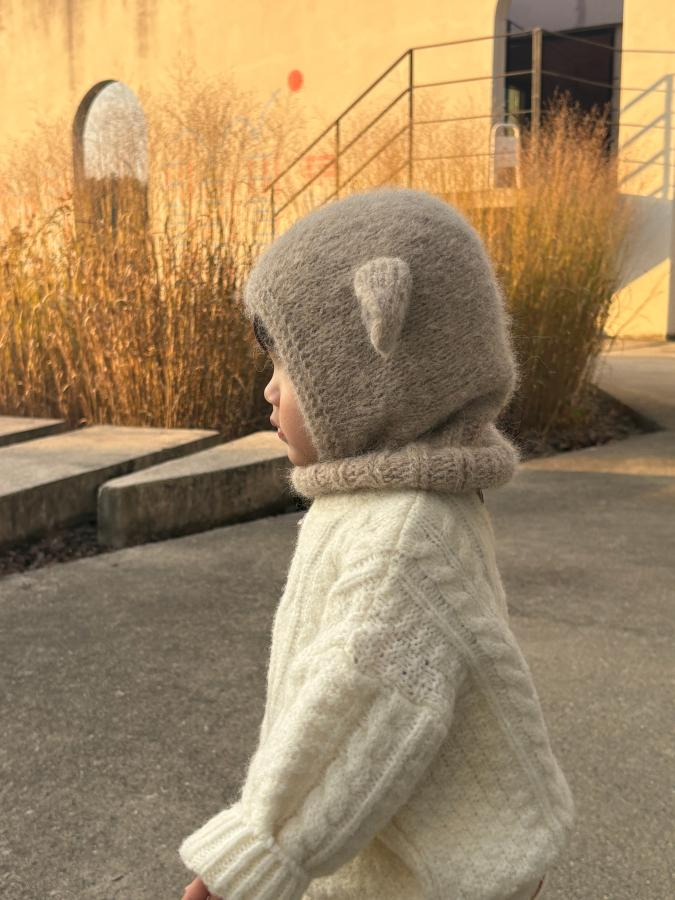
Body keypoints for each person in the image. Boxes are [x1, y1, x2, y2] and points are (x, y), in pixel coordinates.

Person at [179, 186, 575, 900]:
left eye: (287, 367)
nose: (269, 391)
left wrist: (261, 848)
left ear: (375, 367)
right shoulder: (381, 501)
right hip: (394, 844)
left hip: (424, 877)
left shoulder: (402, 534)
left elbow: (360, 693)